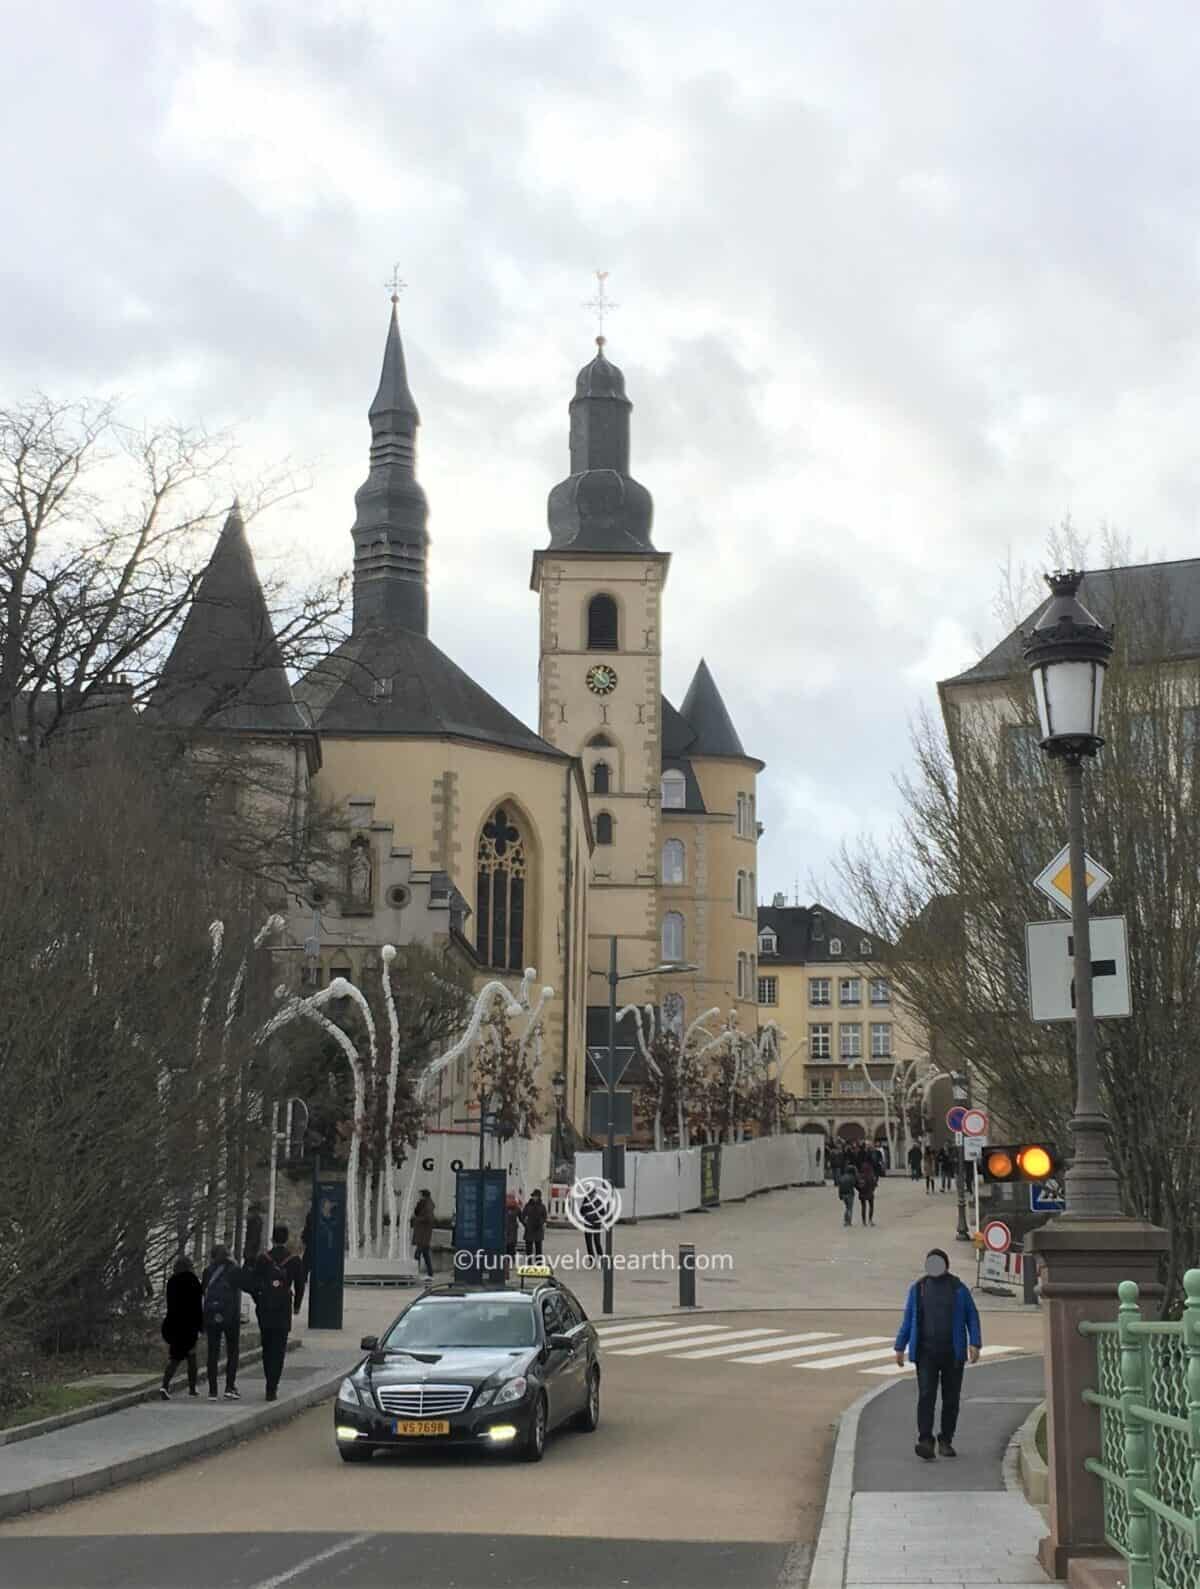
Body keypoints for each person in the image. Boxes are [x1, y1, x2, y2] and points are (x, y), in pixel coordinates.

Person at [894, 1247, 983, 1460]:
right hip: (926, 1353)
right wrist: (900, 1346)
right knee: (926, 1396)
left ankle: (945, 1440)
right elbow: (908, 1319)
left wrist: (975, 1343)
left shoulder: (959, 1289)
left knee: (950, 1399)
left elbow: (972, 1316)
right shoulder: (918, 1289)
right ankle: (925, 1440)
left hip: (953, 1353)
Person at [249, 1248, 293, 1401]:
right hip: (281, 1319)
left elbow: (253, 1290)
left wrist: (260, 1302)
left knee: (267, 1351)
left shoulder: (258, 1275)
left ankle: (269, 1381)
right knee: (278, 1353)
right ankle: (272, 1386)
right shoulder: (282, 1272)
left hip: (265, 1319)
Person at [201, 1243, 243, 1400]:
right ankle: (230, 1387)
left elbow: (203, 1291)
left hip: (212, 1315)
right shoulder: (234, 1270)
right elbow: (245, 1286)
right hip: (231, 1316)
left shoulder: (207, 1271)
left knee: (213, 1351)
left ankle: (212, 1391)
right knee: (232, 1351)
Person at [160, 1254, 203, 1399]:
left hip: (173, 1323)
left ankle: (165, 1385)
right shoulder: (193, 1282)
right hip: (188, 1325)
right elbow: (197, 1307)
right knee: (191, 1357)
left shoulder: (172, 1282)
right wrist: (200, 1326)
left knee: (175, 1357)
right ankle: (192, 1387)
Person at [267, 1224, 305, 1314]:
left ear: (272, 1240)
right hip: (285, 1301)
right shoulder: (295, 1260)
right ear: (287, 1240)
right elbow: (300, 1285)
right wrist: (297, 1306)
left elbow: (256, 1281)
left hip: (266, 1301)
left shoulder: (263, 1258)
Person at [412, 1189, 436, 1280]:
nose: (418, 1196)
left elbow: (428, 1218)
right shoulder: (423, 1203)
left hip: (423, 1234)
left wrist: (417, 1220)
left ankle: (415, 1273)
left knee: (417, 1255)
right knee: (425, 1254)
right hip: (423, 1233)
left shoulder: (427, 1205)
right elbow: (417, 1212)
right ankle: (430, 1273)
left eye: (420, 1195)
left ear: (423, 1195)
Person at [578, 1184, 606, 1262]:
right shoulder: (585, 1201)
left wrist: (598, 1216)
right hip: (588, 1225)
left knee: (597, 1242)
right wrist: (585, 1216)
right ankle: (592, 1260)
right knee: (589, 1243)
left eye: (591, 1193)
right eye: (589, 1193)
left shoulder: (598, 1201)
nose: (590, 1195)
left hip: (596, 1224)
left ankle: (601, 1258)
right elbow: (581, 1211)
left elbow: (603, 1212)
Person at [521, 1189, 547, 1259]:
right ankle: (529, 1265)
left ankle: (539, 1265)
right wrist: (525, 1224)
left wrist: (541, 1223)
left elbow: (545, 1217)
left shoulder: (542, 1206)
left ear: (539, 1197)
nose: (534, 1197)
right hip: (529, 1230)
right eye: (533, 1196)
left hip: (538, 1230)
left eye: (536, 1196)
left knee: (538, 1250)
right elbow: (523, 1216)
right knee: (529, 1250)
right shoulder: (528, 1205)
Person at [856, 1154, 878, 1226]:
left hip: (862, 1192)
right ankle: (870, 1220)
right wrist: (874, 1187)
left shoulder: (861, 1172)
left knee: (863, 1206)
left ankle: (864, 1221)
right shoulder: (870, 1171)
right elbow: (874, 1181)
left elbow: (857, 1183)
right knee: (871, 1205)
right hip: (869, 1191)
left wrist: (859, 1190)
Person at [836, 1161, 858, 1227]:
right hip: (850, 1194)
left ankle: (845, 1221)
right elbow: (854, 1185)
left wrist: (839, 1195)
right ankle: (849, 1221)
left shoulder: (842, 1177)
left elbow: (840, 1187)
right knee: (849, 1208)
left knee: (846, 1207)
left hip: (843, 1194)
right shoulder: (852, 1177)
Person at [242, 1202, 263, 1266]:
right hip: (252, 1253)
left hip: (251, 1254)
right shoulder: (256, 1221)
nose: (247, 1215)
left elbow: (252, 1238)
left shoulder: (254, 1222)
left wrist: (247, 1253)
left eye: (249, 1212)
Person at [504, 1194, 521, 1268]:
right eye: (509, 1198)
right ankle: (506, 1262)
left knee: (512, 1247)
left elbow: (521, 1218)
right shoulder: (503, 1207)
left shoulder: (517, 1208)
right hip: (505, 1230)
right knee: (506, 1246)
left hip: (513, 1230)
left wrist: (527, 1225)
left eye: (511, 1198)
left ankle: (511, 1261)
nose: (510, 1200)